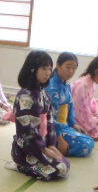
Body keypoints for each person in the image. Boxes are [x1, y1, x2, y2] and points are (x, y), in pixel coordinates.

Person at [8, 50, 70, 181]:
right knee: (58, 170)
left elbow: (50, 121)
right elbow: (27, 131)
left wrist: (51, 144)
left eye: (50, 68)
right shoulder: (25, 96)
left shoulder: (43, 93)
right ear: (32, 69)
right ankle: (20, 164)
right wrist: (42, 149)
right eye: (44, 68)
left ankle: (40, 158)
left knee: (64, 164)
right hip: (27, 148)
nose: (48, 72)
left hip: (43, 144)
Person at [46, 52, 95, 157]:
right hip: (52, 129)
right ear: (58, 65)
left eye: (74, 68)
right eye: (68, 67)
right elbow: (49, 117)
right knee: (86, 145)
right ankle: (53, 146)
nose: (71, 71)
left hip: (64, 126)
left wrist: (74, 124)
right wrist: (60, 138)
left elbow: (71, 107)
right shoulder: (51, 88)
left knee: (90, 139)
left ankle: (56, 146)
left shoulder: (67, 86)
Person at [71, 55, 98, 140]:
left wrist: (96, 117)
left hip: (85, 116)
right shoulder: (82, 85)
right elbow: (79, 110)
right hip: (75, 118)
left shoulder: (90, 83)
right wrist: (95, 121)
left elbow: (91, 104)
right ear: (97, 72)